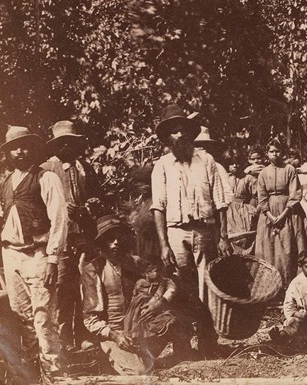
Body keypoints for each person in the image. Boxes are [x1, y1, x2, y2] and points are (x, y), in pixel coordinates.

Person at [0, 126, 68, 379]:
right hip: (11, 255)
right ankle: (33, 373)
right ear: (6, 153)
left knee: (44, 316)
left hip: (38, 254)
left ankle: (53, 373)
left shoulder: (46, 179)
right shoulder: (3, 184)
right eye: (14, 148)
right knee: (21, 316)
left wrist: (52, 258)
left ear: (33, 149)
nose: (20, 151)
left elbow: (59, 219)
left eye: (25, 146)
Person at [150, 104, 228, 358]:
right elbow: (158, 207)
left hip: (205, 232)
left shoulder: (206, 161)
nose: (180, 135)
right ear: (167, 137)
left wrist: (224, 235)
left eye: (183, 130)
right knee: (180, 287)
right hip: (176, 233)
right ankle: (182, 344)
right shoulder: (161, 166)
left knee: (208, 286)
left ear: (190, 134)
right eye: (174, 131)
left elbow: (220, 201)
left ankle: (208, 342)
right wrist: (163, 244)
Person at [81, 215, 186, 375]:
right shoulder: (94, 269)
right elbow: (90, 319)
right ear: (101, 242)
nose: (116, 242)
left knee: (175, 321)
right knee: (139, 371)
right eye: (110, 238)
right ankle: (105, 357)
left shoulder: (133, 262)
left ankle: (172, 356)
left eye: (118, 237)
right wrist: (115, 335)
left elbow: (168, 282)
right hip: (114, 333)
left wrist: (160, 301)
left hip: (139, 328)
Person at [41, 119, 100, 354]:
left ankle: (85, 334)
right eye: (62, 143)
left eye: (71, 143)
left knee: (87, 286)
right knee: (63, 287)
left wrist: (86, 210)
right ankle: (64, 338)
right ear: (55, 146)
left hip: (84, 236)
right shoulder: (46, 170)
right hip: (60, 239)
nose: (67, 148)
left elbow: (97, 199)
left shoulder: (86, 168)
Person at [254, 139, 307, 288]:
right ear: (267, 154)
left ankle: (293, 285)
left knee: (288, 246)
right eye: (272, 151)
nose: (275, 154)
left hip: (289, 212)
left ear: (283, 153)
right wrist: (270, 216)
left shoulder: (290, 169)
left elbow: (295, 194)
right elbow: (261, 197)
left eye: (278, 151)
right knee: (270, 248)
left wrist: (283, 215)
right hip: (269, 214)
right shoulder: (263, 173)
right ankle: (273, 287)